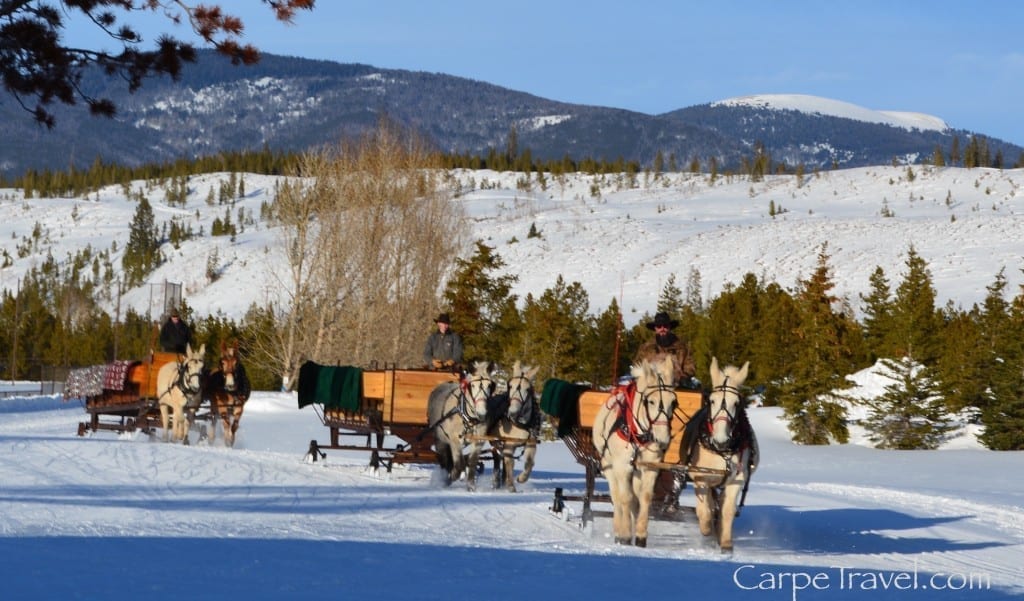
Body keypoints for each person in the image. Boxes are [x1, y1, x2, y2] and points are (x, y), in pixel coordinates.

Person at [634, 311, 696, 388]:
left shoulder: (682, 347)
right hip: (652, 389)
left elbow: (690, 367)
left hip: (677, 387)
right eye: (659, 326)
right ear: (655, 328)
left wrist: (683, 377)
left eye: (665, 326)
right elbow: (637, 366)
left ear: (669, 327)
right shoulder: (646, 348)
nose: (662, 329)